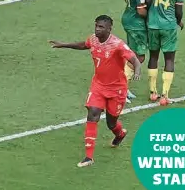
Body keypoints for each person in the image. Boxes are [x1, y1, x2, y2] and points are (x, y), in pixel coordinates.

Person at [49, 15, 141, 167]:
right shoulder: (93, 39)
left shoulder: (117, 44)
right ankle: (89, 157)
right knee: (92, 113)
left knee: (111, 123)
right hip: (98, 85)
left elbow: (134, 60)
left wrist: (137, 71)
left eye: (101, 27)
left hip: (116, 89)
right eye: (96, 26)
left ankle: (120, 133)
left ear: (109, 29)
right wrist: (63, 45)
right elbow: (83, 45)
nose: (97, 29)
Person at [138, 0, 185, 106]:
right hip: (169, 26)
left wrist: (150, 15)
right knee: (169, 59)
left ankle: (153, 92)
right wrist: (179, 21)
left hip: (153, 25)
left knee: (153, 57)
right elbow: (179, 10)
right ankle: (164, 95)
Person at [119, 0, 152, 103]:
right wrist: (152, 18)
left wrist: (128, 3)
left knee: (130, 55)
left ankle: (123, 88)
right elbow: (141, 10)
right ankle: (121, 89)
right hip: (136, 24)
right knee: (139, 57)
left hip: (128, 17)